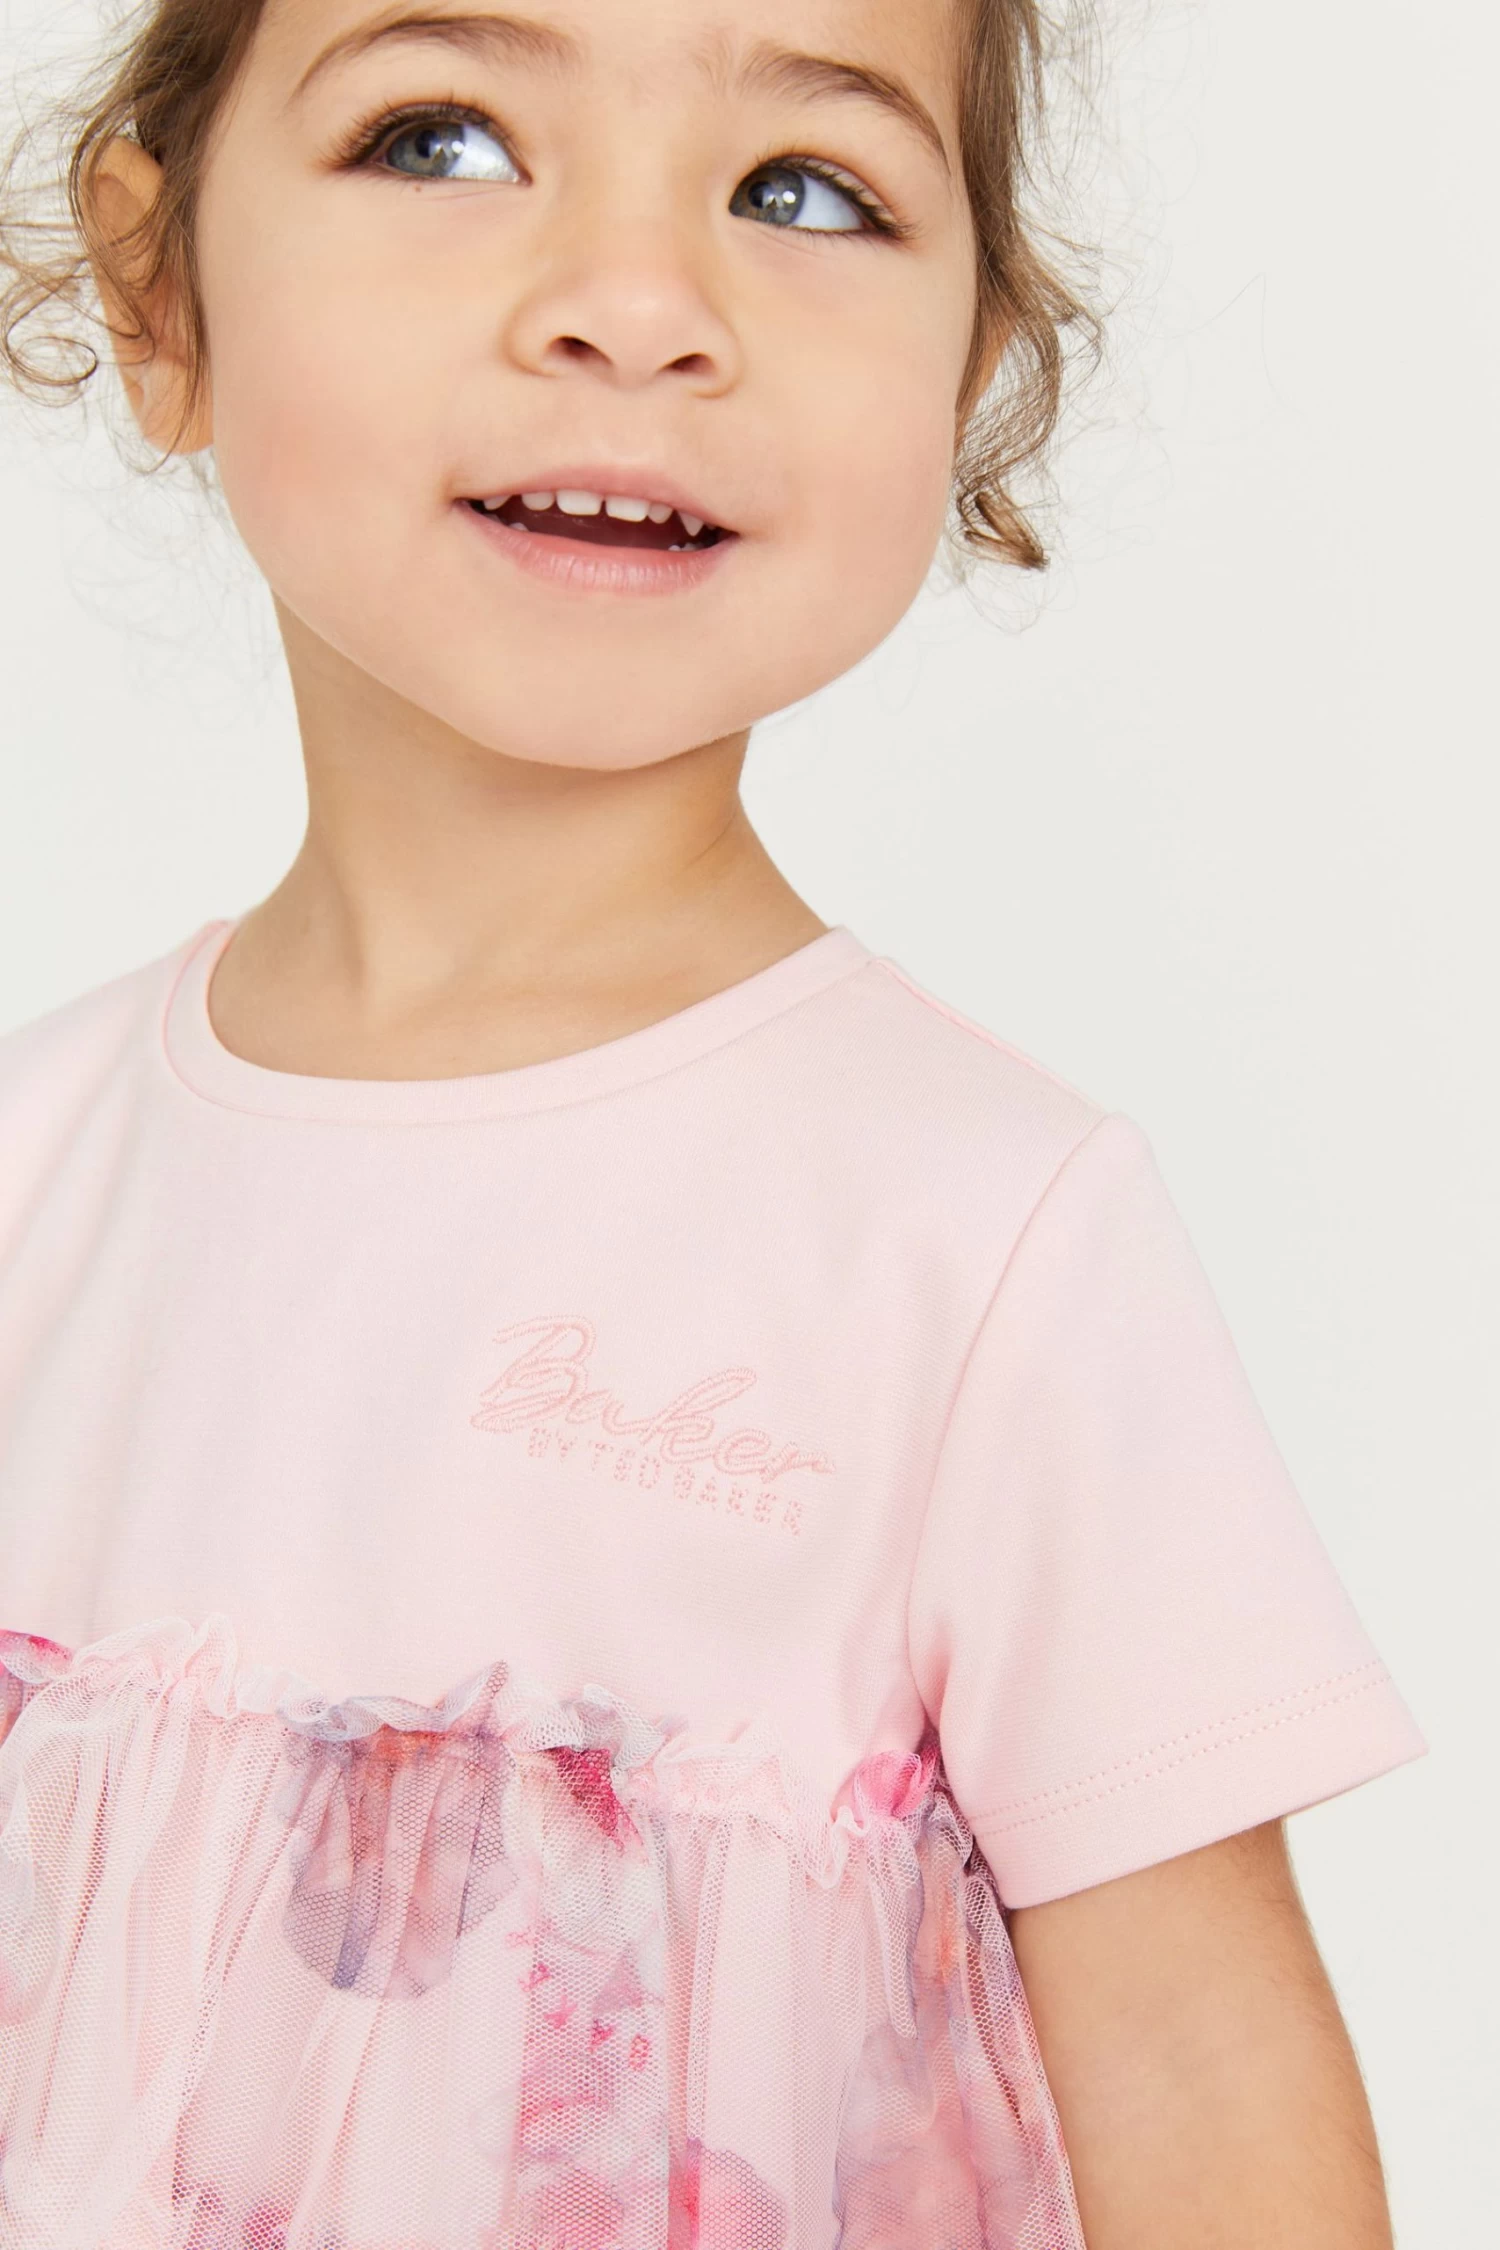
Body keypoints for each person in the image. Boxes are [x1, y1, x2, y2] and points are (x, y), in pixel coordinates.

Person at [0, 4, 1424, 2245]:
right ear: (156, 289)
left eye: (802, 191)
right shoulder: (38, 1170)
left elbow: (1199, 2076)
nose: (639, 303)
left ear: (969, 371)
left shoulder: (977, 1239)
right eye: (443, 136)